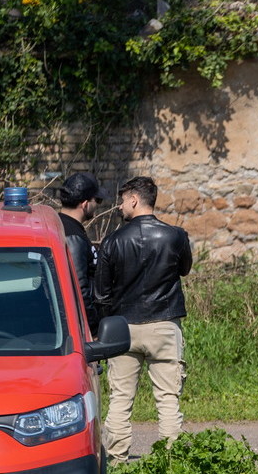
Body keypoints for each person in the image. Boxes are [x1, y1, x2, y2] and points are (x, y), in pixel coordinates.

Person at [95, 177, 193, 462]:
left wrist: (104, 327)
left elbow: (101, 294)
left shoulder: (113, 241)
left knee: (120, 399)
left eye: (123, 200)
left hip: (123, 327)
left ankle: (116, 460)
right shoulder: (175, 236)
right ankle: (172, 460)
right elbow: (184, 269)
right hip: (164, 323)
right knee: (168, 398)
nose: (119, 206)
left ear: (134, 200)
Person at [57, 172, 104, 333]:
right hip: (80, 326)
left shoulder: (59, 225)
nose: (98, 205)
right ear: (84, 204)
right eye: (97, 200)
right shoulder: (73, 236)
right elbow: (79, 288)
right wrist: (93, 327)